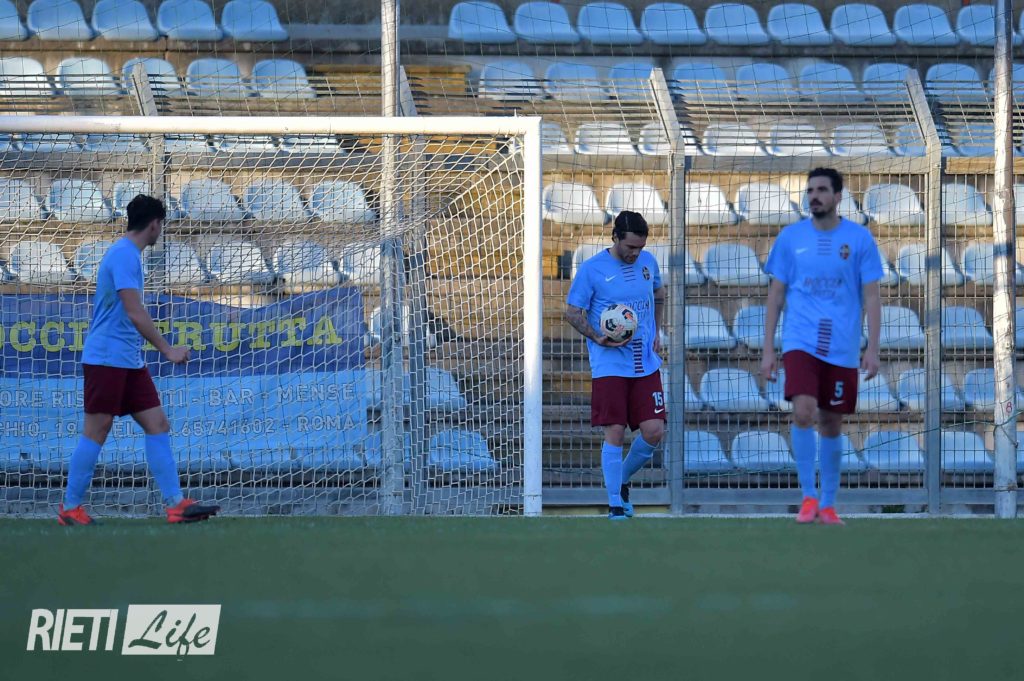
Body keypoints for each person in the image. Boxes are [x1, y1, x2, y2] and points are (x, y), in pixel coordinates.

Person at [58, 195, 220, 525]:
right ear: (155, 224)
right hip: (107, 358)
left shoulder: (129, 255)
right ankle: (70, 509)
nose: (161, 230)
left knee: (157, 424)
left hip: (128, 360)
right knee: (96, 431)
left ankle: (176, 504)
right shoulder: (123, 255)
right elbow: (134, 312)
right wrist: (167, 349)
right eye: (162, 224)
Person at [761, 168, 882, 526]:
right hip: (801, 340)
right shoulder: (791, 237)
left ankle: (828, 504)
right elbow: (776, 295)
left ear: (838, 196)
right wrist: (768, 349)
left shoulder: (859, 239)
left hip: (842, 344)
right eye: (810, 190)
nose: (813, 195)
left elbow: (872, 296)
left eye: (821, 190)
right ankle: (808, 496)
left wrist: (872, 348)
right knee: (803, 411)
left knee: (831, 422)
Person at [565, 211, 667, 520]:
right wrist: (597, 336)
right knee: (615, 431)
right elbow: (572, 312)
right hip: (609, 363)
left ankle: (620, 480)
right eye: (630, 247)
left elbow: (659, 293)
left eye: (640, 247)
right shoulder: (592, 269)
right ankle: (615, 504)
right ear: (615, 238)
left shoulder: (648, 263)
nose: (635, 253)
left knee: (654, 431)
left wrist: (657, 330)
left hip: (644, 361)